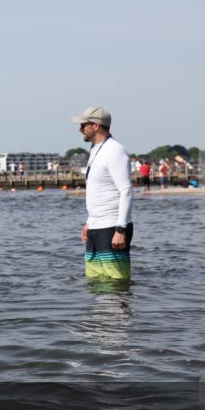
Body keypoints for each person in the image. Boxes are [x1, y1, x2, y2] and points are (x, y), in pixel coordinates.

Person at [71, 107, 133, 280]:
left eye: (83, 125)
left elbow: (126, 191)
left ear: (96, 125)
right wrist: (89, 222)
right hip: (96, 226)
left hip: (112, 227)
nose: (80, 129)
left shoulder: (114, 151)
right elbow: (99, 191)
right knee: (95, 281)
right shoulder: (96, 150)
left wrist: (121, 229)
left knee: (115, 282)